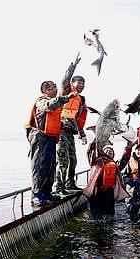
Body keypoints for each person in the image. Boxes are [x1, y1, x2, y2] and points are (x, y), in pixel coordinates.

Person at [26, 81, 77, 207]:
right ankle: (37, 195)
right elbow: (49, 106)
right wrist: (66, 98)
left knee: (50, 166)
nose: (55, 90)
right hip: (40, 137)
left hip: (50, 138)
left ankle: (47, 193)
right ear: (45, 91)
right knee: (40, 166)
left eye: (55, 87)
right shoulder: (42, 100)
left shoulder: (56, 104)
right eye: (52, 88)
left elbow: (53, 120)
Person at [55, 54, 88, 195]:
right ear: (73, 84)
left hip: (70, 133)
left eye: (83, 83)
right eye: (78, 83)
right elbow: (65, 79)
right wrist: (73, 65)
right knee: (63, 160)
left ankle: (70, 184)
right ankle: (59, 188)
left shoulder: (81, 100)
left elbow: (78, 119)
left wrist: (82, 134)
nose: (81, 85)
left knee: (73, 160)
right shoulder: (66, 91)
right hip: (61, 130)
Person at [83, 142, 133, 220]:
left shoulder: (115, 165)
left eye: (111, 152)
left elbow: (124, 159)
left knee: (109, 215)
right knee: (95, 215)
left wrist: (128, 148)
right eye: (107, 150)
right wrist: (95, 141)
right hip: (96, 191)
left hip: (109, 192)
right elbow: (90, 151)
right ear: (102, 152)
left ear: (113, 155)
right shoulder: (95, 161)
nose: (109, 152)